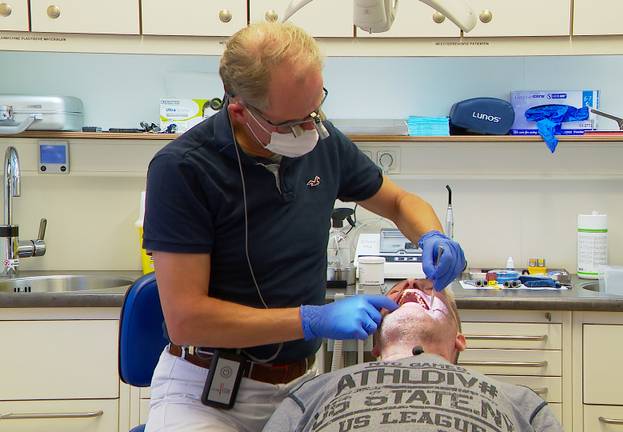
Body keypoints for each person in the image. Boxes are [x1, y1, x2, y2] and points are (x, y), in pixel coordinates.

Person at [141, 22, 467, 431]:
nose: (310, 129)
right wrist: (311, 319)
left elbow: (400, 202)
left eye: (317, 109)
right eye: (294, 122)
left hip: (300, 389)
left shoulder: (323, 141)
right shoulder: (183, 170)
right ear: (239, 109)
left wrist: (432, 235)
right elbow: (187, 319)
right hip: (207, 393)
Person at [263, 279, 563, 432]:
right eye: (396, 292)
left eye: (430, 291)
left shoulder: (520, 402)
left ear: (459, 340)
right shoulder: (312, 392)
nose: (411, 286)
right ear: (375, 346)